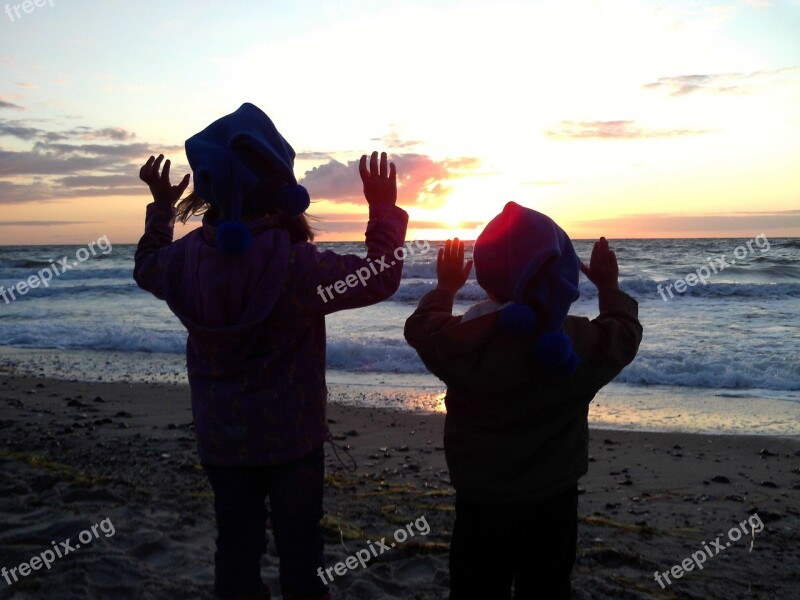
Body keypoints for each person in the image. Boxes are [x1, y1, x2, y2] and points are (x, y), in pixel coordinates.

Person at [134, 102, 408, 600]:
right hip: (292, 442)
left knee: (235, 549)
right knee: (302, 555)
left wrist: (161, 207)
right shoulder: (297, 267)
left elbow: (146, 264)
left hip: (222, 439)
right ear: (285, 187)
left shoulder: (183, 262)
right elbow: (383, 274)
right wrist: (382, 208)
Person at [404, 202, 642, 599]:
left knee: (477, 589)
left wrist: (445, 289)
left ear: (485, 276)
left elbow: (422, 329)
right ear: (563, 275)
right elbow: (623, 334)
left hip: (480, 498)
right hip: (553, 498)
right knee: (546, 587)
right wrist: (609, 289)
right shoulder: (576, 346)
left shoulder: (463, 341)